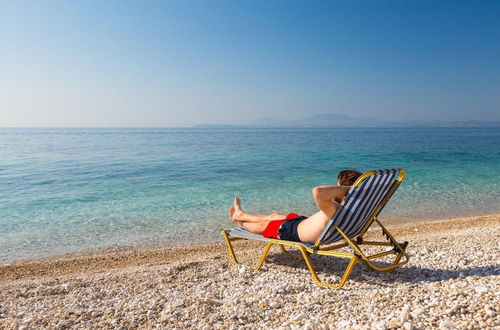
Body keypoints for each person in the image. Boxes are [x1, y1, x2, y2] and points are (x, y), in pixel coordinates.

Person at [229, 169, 362, 244]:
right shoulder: (357, 209)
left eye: (337, 186)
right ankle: (240, 215)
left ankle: (241, 222)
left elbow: (318, 192)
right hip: (302, 222)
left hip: (293, 232)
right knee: (274, 215)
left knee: (264, 224)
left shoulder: (335, 209)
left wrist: (349, 189)